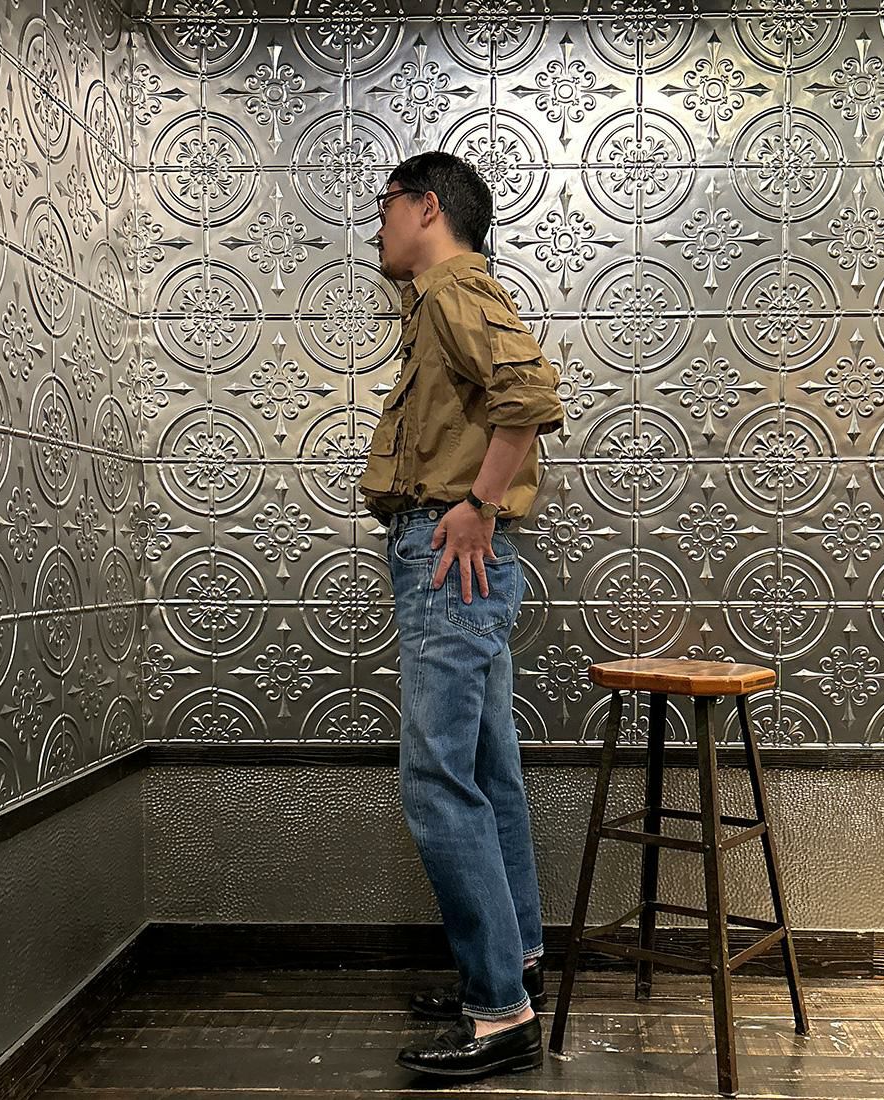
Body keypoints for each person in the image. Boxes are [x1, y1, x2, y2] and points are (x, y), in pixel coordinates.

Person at [358, 151, 564, 1081]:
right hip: (458, 562)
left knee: (439, 783)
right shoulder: (439, 301)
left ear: (425, 207)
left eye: (385, 207)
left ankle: (500, 1016)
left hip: (447, 556)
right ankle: (513, 971)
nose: (378, 228)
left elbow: (531, 395)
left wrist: (476, 505)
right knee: (486, 772)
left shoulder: (452, 290)